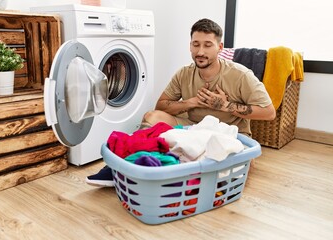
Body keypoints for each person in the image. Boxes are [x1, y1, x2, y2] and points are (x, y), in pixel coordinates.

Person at [86, 18, 275, 187]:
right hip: (193, 128)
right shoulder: (185, 73)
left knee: (231, 170)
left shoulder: (241, 75)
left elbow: (269, 112)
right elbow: (161, 106)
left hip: (229, 132)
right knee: (152, 117)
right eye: (196, 44)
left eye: (208, 45)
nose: (200, 51)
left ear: (220, 47)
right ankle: (132, 163)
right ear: (190, 46)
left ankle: (172, 175)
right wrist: (191, 103)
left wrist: (226, 106)